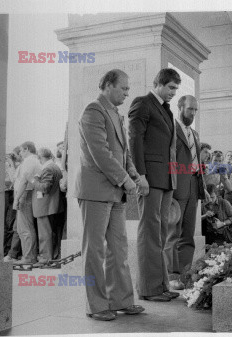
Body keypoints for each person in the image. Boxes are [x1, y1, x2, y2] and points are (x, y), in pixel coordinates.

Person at [74, 69, 145, 321]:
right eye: (123, 88)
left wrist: (135, 176)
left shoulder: (115, 113)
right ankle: (96, 305)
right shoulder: (93, 111)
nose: (127, 93)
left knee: (119, 248)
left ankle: (122, 300)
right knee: (94, 251)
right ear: (106, 85)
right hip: (95, 192)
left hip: (115, 192)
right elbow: (100, 153)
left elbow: (123, 153)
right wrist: (126, 180)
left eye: (128, 89)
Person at [128, 68, 180, 302]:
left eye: (176, 89)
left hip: (166, 178)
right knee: (149, 232)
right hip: (150, 178)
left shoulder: (167, 110)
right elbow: (134, 140)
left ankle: (161, 285)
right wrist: (140, 175)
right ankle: (149, 289)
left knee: (160, 232)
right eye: (170, 88)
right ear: (158, 83)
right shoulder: (143, 103)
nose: (173, 93)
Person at [165, 95, 206, 291]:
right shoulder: (170, 128)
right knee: (173, 233)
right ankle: (172, 275)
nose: (193, 113)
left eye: (196, 110)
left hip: (194, 186)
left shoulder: (195, 134)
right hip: (176, 186)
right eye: (190, 109)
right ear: (180, 107)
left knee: (188, 234)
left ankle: (185, 274)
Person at [31, 148, 64, 267]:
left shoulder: (48, 168)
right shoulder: (54, 167)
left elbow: (45, 187)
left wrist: (34, 181)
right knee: (51, 233)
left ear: (40, 158)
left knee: (44, 234)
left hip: (45, 207)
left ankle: (45, 258)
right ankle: (50, 257)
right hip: (51, 206)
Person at [12, 141, 41, 265]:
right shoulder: (34, 161)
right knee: (25, 228)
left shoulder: (29, 161)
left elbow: (24, 181)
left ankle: (28, 257)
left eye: (21, 151)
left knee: (25, 229)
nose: (20, 154)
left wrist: (17, 199)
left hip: (25, 194)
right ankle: (30, 256)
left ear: (27, 149)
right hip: (27, 194)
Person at [4, 147, 21, 257]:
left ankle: (8, 250)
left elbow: (14, 179)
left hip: (11, 194)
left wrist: (11, 165)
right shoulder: (6, 166)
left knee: (10, 223)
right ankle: (6, 249)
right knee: (6, 224)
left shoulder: (15, 166)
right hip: (6, 194)